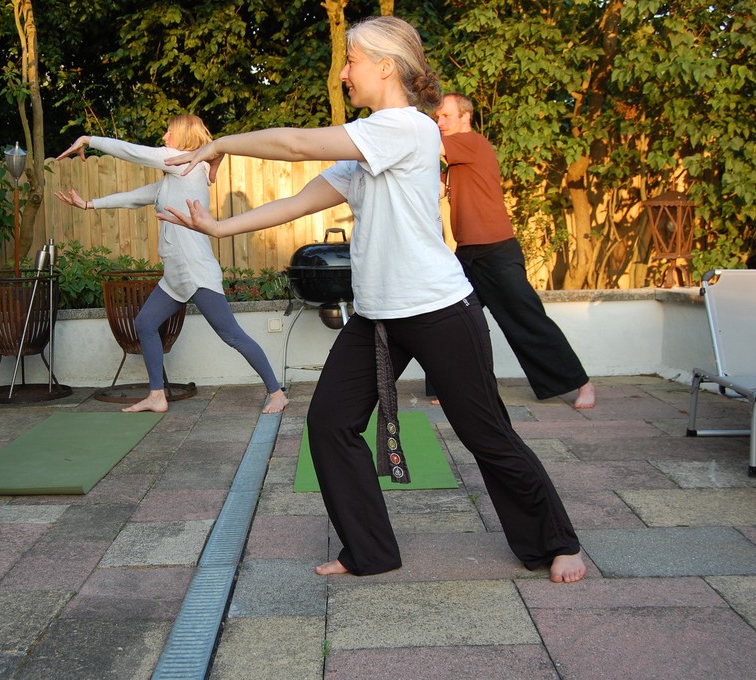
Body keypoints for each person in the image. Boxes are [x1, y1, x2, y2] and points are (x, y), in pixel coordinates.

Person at [159, 16, 586, 583]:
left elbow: (293, 144)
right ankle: (370, 549)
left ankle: (558, 543)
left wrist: (221, 143)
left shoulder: (406, 129)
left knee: (486, 433)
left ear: (387, 66)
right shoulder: (368, 142)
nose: (342, 73)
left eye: (351, 60)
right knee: (330, 423)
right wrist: (220, 228)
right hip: (378, 317)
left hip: (439, 311)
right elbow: (303, 199)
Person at [53, 115, 290, 415]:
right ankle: (156, 395)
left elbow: (135, 152)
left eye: (169, 132)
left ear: (184, 138)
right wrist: (89, 204)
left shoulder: (181, 164)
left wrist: (90, 140)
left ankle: (276, 392)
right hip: (175, 275)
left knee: (231, 334)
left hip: (194, 270)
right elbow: (135, 198)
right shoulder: (176, 177)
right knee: (145, 323)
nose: (164, 137)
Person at [435, 92, 596, 409]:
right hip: (467, 256)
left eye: (445, 116)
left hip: (496, 252)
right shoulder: (455, 164)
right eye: (437, 117)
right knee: (450, 320)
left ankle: (581, 383)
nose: (439, 122)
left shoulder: (472, 143)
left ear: (465, 117)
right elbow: (431, 188)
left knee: (525, 319)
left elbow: (428, 146)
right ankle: (458, 388)